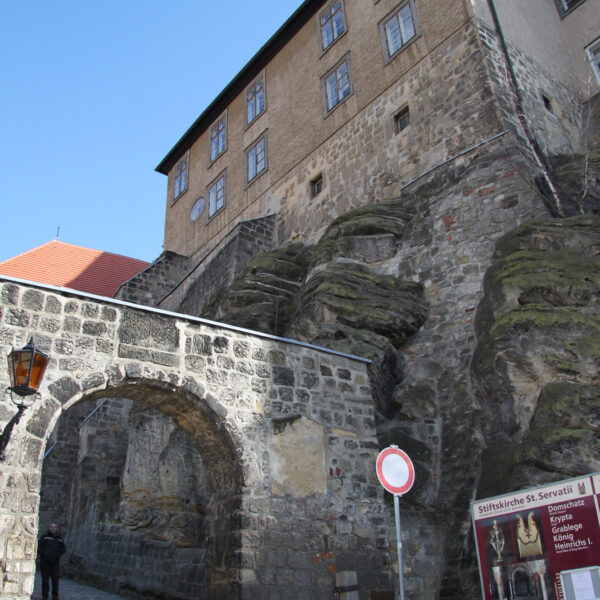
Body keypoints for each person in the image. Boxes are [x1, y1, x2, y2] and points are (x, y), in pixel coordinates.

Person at [38, 523, 66, 600]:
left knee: (55, 580)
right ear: (49, 528)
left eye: (54, 527)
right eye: (51, 527)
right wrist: (44, 553)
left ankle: (55, 597)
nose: (53, 528)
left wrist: (57, 554)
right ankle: (45, 596)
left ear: (56, 528)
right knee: (45, 580)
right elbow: (39, 547)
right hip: (45, 562)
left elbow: (63, 549)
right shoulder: (44, 537)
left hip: (55, 562)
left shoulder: (59, 538)